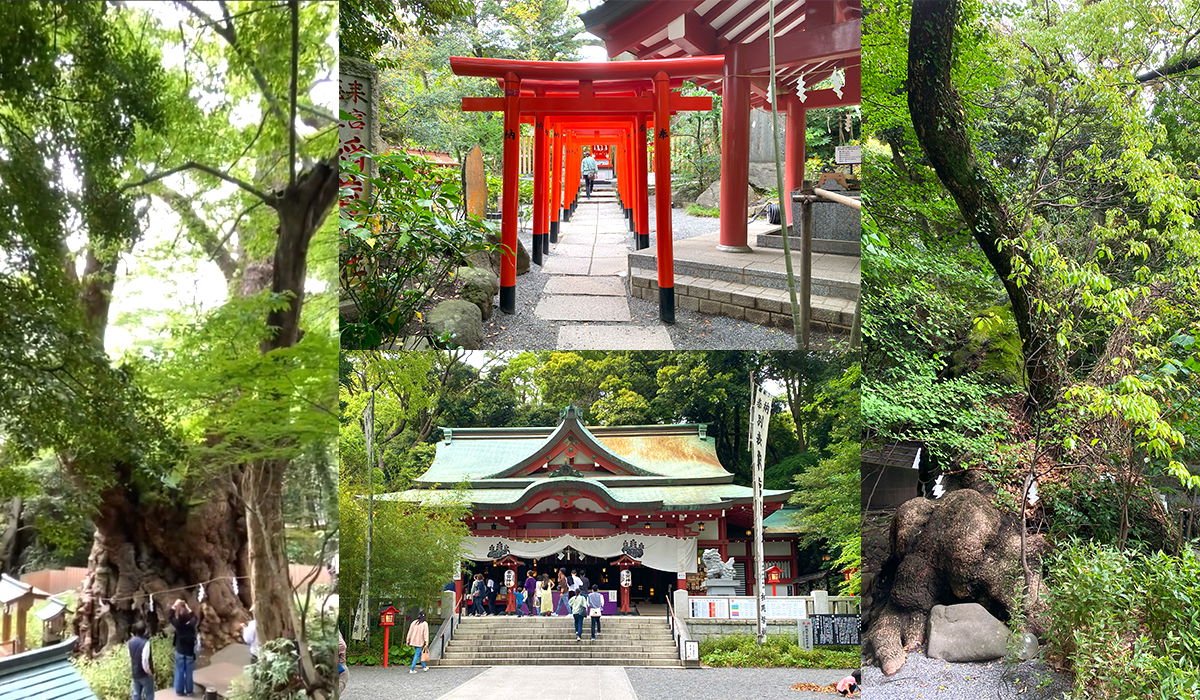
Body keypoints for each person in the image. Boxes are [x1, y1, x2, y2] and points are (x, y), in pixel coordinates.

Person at [168, 599, 200, 697]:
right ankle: (189, 691)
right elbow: (195, 617)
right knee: (189, 672)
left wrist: (175, 605)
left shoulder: (178, 625)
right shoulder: (191, 625)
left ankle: (179, 691)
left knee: (179, 670)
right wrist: (186, 606)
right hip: (189, 652)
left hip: (180, 651)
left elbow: (170, 617)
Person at [128, 621, 154, 700]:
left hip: (135, 673)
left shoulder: (130, 642)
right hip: (144, 674)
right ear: (144, 631)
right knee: (149, 694)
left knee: (136, 694)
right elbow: (145, 661)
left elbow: (130, 657)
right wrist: (149, 672)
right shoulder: (145, 643)